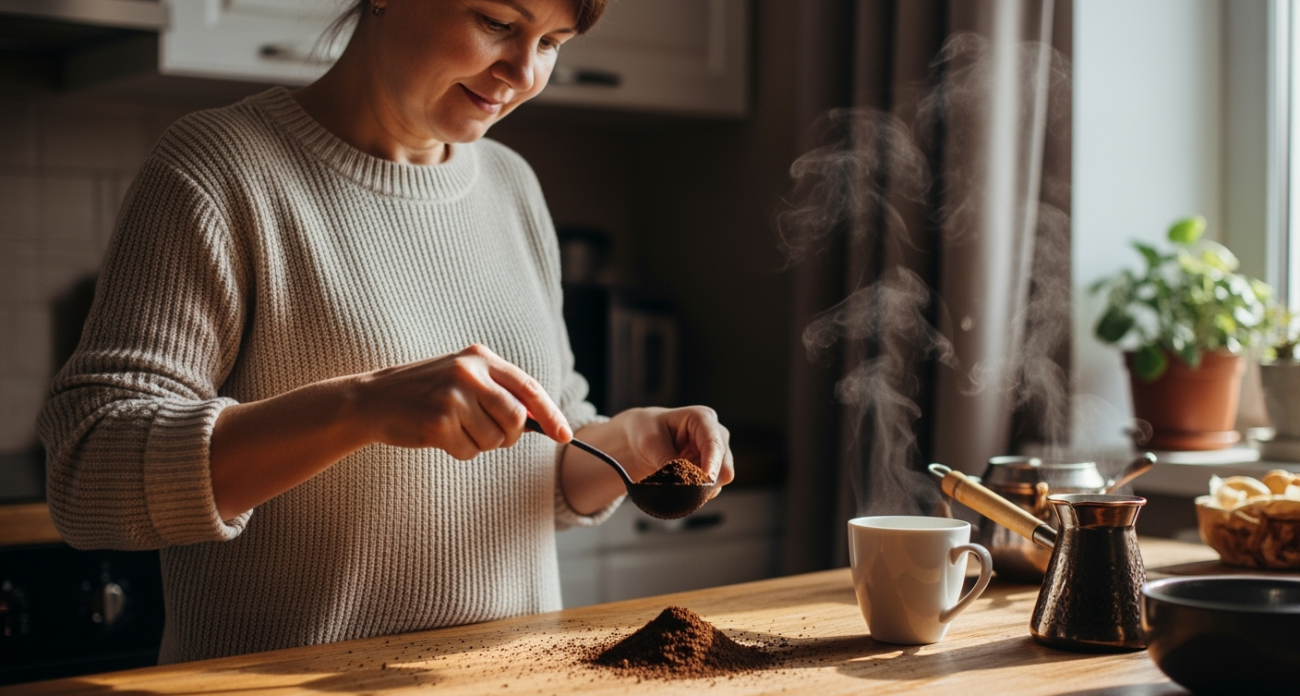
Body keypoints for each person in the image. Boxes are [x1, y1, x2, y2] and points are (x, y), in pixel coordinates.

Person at [38, 0, 734, 664]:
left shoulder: (512, 185)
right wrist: (358, 407)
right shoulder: (217, 170)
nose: (524, 73)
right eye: (497, 22)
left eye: (551, 43)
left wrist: (625, 443)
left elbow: (537, 456)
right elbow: (88, 472)